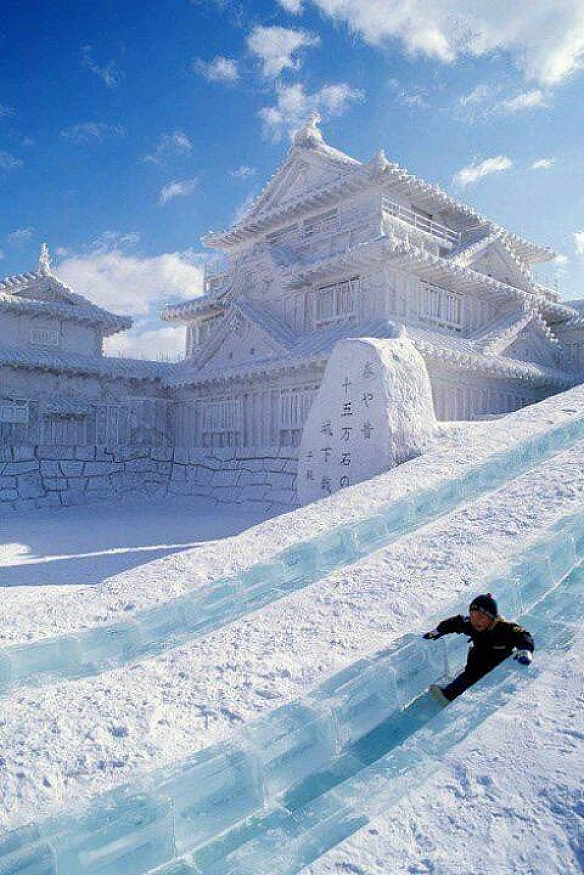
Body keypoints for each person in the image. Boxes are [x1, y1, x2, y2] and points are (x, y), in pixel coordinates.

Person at [423, 593, 534, 703]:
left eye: (480, 617)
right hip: (477, 663)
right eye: (472, 616)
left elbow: (523, 635)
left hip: (496, 666)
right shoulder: (471, 625)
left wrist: (525, 649)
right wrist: (438, 630)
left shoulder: (504, 628)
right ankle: (450, 693)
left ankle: (452, 694)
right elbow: (456, 622)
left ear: (491, 617)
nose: (475, 621)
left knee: (473, 676)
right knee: (470, 673)